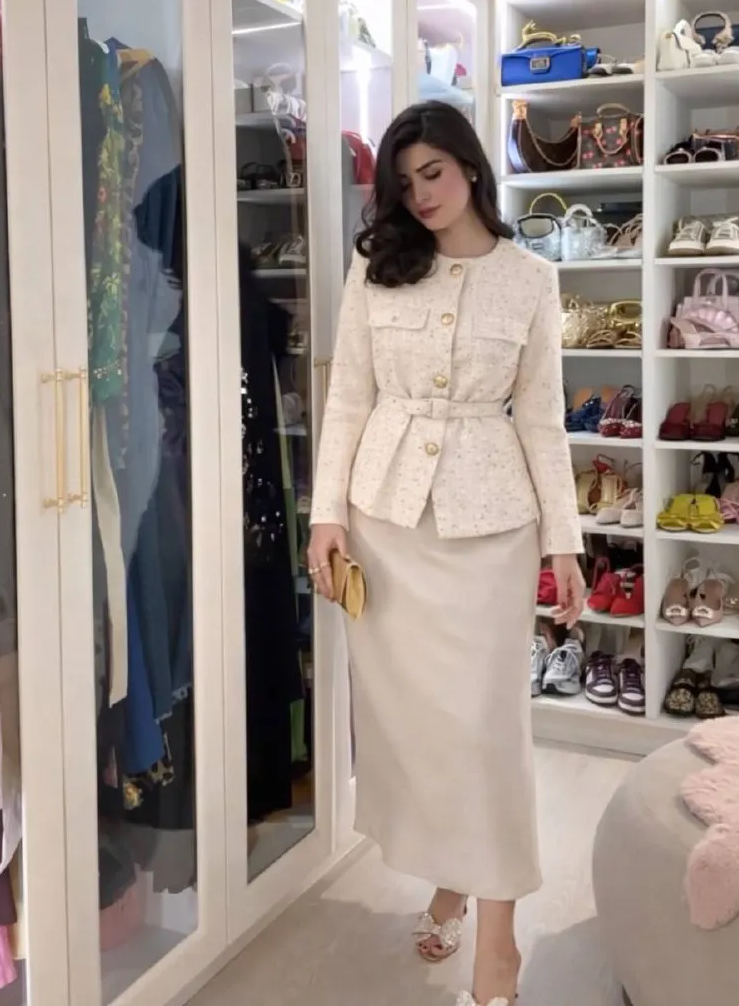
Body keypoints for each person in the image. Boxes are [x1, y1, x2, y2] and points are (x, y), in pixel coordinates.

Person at [307, 101, 584, 1006]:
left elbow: (541, 421)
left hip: (488, 530)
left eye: (432, 173)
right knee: (418, 731)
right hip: (384, 523)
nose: (420, 194)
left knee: (488, 730)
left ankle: (497, 942)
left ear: (469, 166)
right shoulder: (377, 267)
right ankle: (452, 882)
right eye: (404, 181)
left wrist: (565, 544)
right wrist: (325, 515)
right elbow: (347, 397)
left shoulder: (530, 279)